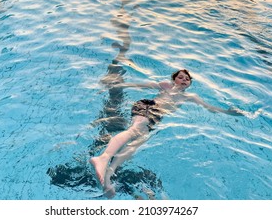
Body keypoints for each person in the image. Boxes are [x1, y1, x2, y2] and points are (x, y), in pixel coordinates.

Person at [90, 69, 243, 198]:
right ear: (174, 79)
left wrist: (228, 112)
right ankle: (103, 158)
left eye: (187, 79)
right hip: (149, 106)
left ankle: (108, 176)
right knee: (135, 129)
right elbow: (141, 85)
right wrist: (117, 85)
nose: (183, 79)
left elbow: (210, 108)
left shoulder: (190, 97)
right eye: (180, 77)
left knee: (135, 144)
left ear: (189, 83)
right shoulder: (166, 86)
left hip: (156, 117)